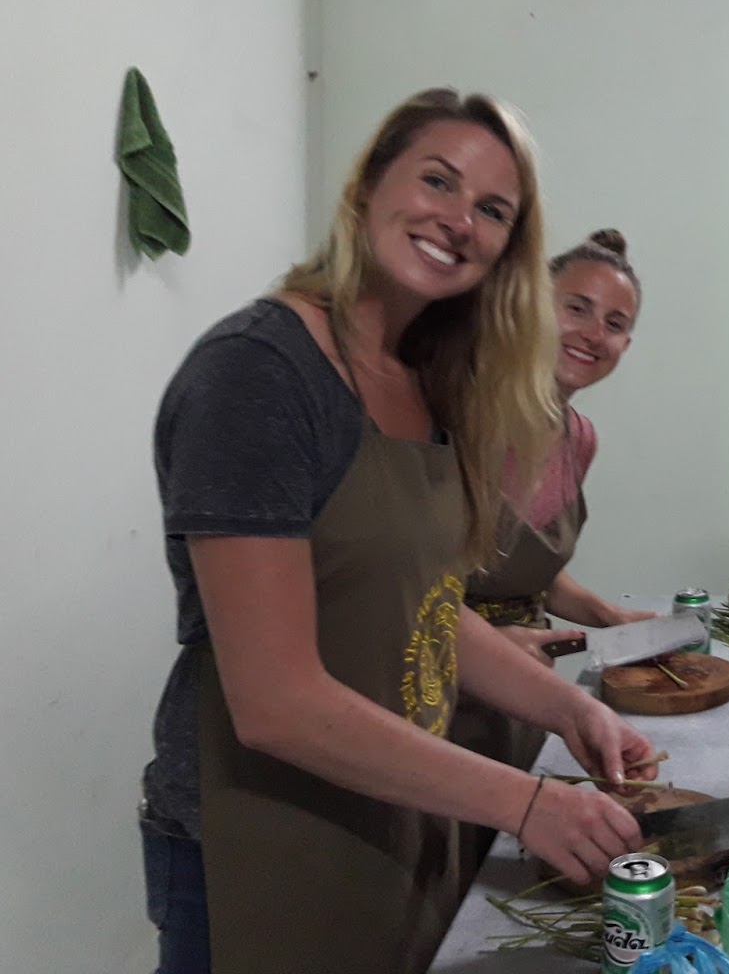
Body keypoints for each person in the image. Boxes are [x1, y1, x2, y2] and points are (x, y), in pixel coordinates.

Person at [138, 89, 660, 974]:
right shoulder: (260, 375)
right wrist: (527, 803)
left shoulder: (429, 380)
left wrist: (570, 707)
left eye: (493, 210)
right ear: (369, 184)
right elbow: (275, 702)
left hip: (393, 808)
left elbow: (419, 606)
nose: (459, 220)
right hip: (258, 833)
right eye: (437, 181)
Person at [454, 228, 657, 776]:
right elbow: (397, 587)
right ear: (531, 304)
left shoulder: (579, 439)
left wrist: (606, 616)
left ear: (626, 346)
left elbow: (525, 570)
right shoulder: (460, 415)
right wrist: (492, 643)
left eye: (615, 325)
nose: (594, 334)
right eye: (577, 309)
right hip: (434, 692)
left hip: (526, 699)